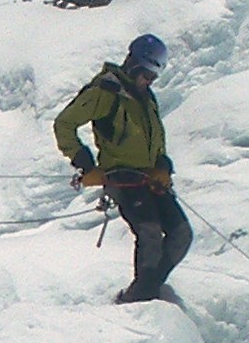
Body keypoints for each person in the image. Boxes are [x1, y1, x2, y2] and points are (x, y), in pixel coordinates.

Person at [54, 32, 190, 303]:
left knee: (181, 234)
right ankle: (141, 299)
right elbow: (64, 124)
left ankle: (148, 288)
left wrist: (162, 165)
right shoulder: (106, 92)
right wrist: (85, 164)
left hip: (149, 178)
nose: (148, 81)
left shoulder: (146, 98)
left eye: (153, 77)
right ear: (133, 64)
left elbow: (157, 141)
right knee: (150, 232)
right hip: (121, 177)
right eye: (145, 74)